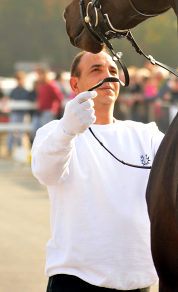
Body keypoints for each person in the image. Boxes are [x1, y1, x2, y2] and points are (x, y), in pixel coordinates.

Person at [31, 50, 164, 292]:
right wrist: (67, 130)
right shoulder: (54, 132)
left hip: (140, 280)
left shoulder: (146, 135)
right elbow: (45, 172)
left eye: (113, 71)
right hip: (76, 279)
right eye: (96, 70)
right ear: (75, 84)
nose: (108, 77)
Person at [7, 71, 31, 154]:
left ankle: (20, 150)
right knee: (11, 131)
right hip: (15, 112)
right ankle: (9, 149)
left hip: (23, 113)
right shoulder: (14, 91)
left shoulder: (26, 91)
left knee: (21, 133)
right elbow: (8, 98)